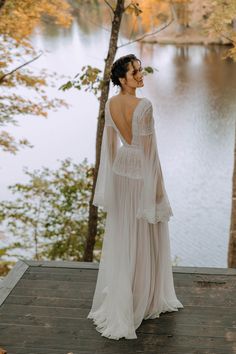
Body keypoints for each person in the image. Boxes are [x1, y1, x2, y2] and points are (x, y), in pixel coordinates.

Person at [87, 54, 184, 340]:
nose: (140, 76)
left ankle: (127, 295)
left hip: (121, 174)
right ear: (121, 78)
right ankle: (147, 298)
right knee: (146, 233)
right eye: (134, 72)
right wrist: (158, 186)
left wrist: (112, 182)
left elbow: (111, 147)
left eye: (140, 70)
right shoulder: (144, 105)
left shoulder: (110, 103)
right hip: (142, 174)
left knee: (125, 234)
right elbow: (150, 151)